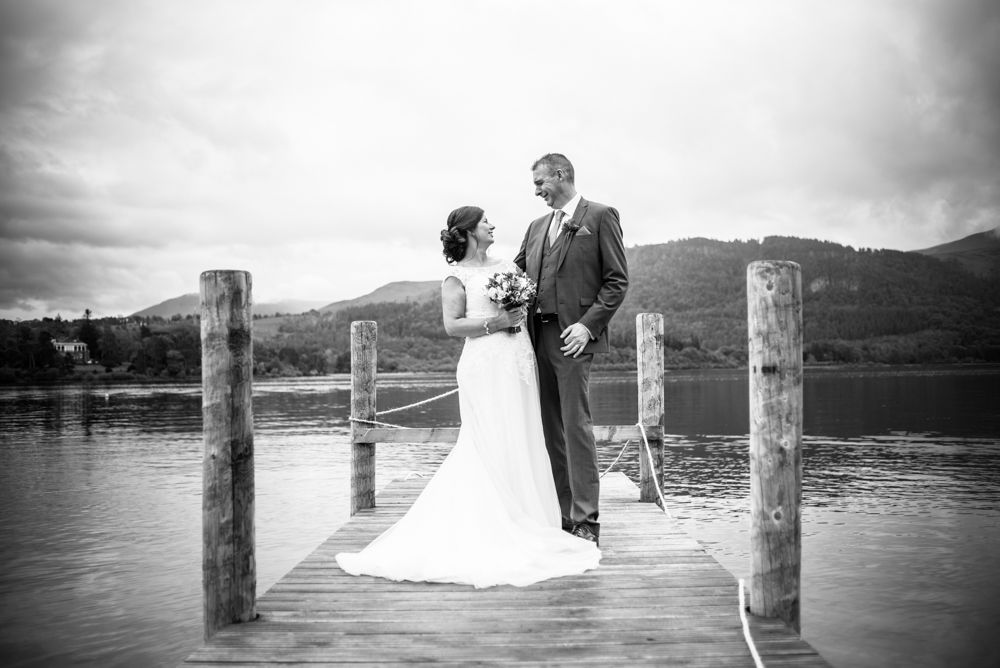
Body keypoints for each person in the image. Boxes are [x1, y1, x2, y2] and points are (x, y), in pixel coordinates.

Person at [335, 205, 600, 588]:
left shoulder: (507, 266)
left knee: (524, 436)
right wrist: (498, 321)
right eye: (485, 221)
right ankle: (493, 521)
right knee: (488, 440)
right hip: (484, 364)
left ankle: (532, 516)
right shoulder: (456, 277)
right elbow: (452, 326)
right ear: (470, 231)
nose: (492, 225)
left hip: (519, 360)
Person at [514, 153, 629, 546]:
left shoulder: (600, 216)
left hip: (573, 338)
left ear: (560, 174)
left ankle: (586, 519)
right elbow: (514, 275)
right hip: (535, 339)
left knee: (575, 426)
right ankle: (561, 513)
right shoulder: (535, 227)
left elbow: (616, 281)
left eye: (540, 183)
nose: (537, 192)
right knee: (549, 429)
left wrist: (587, 325)